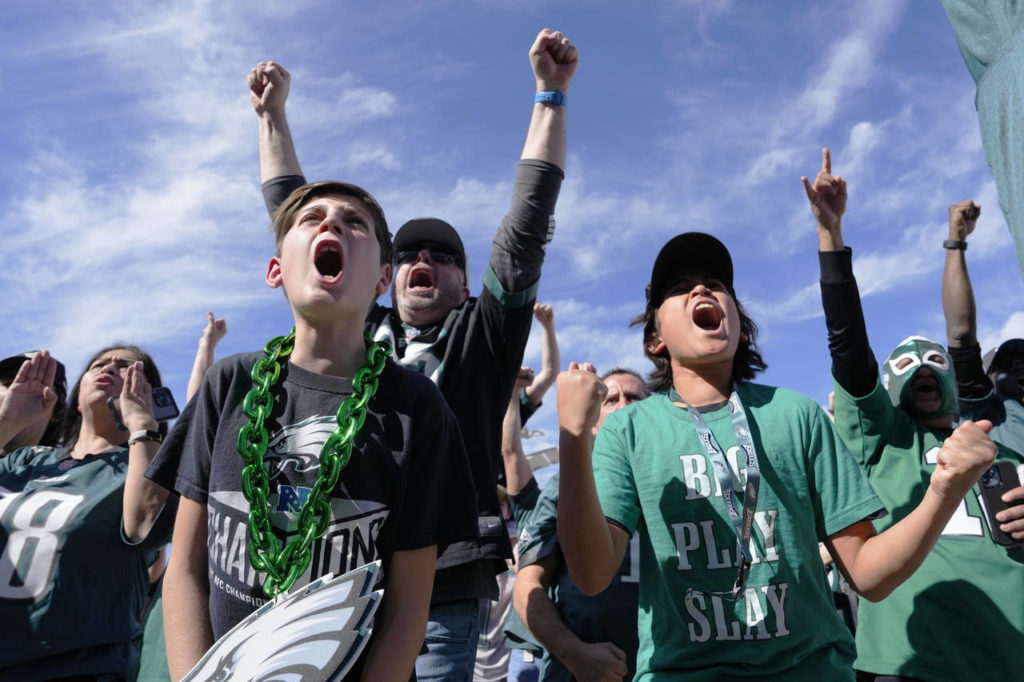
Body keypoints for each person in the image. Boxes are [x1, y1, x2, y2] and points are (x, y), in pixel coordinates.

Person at [248, 27, 578, 680]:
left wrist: (550, 96)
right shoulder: (351, 324)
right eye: (408, 254)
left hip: (441, 585)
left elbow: (525, 229)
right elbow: (296, 220)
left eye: (444, 256)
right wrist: (272, 117)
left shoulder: (481, 339)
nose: (423, 259)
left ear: (466, 285)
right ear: (383, 276)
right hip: (328, 571)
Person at [556, 228, 997, 681]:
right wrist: (572, 434)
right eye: (680, 288)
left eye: (716, 284)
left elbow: (868, 574)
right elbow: (591, 576)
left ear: (742, 329)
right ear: (655, 339)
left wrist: (944, 491)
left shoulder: (798, 415)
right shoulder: (629, 430)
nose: (701, 290)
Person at [148, 180, 478, 680]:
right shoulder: (228, 384)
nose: (332, 223)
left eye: (356, 222)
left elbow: (407, 611)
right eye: (311, 218)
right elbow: (186, 570)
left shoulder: (418, 407)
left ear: (382, 278)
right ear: (276, 270)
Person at [804, 149, 1024, 681]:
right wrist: (831, 237)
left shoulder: (996, 439)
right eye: (904, 364)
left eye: (934, 361)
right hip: (907, 665)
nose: (923, 367)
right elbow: (849, 349)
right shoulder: (884, 441)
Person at [0, 344, 173, 679]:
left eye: (126, 367)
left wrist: (143, 425)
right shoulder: (26, 461)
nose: (108, 368)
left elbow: (146, 526)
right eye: (99, 364)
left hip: (77, 671)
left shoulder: (143, 471)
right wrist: (7, 422)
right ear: (77, 399)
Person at [514, 367, 647, 682]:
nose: (623, 406)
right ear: (594, 418)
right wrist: (571, 651)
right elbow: (527, 586)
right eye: (610, 399)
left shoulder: (681, 486)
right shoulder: (564, 488)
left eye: (634, 398)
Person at [0, 350, 67, 455]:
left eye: (35, 392)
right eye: (8, 384)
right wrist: (6, 425)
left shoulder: (67, 462)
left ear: (56, 413)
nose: (17, 396)